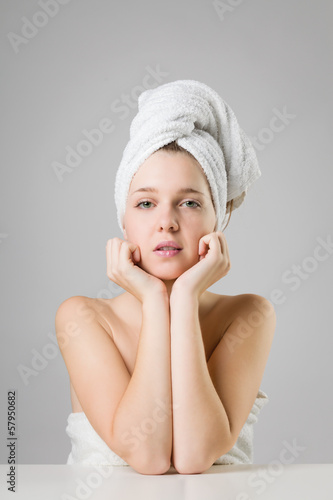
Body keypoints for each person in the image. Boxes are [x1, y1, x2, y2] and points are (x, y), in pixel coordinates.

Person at [55, 80, 276, 475]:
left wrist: (184, 298)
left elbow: (194, 457)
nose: (167, 223)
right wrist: (157, 301)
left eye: (189, 202)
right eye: (145, 203)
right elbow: (149, 457)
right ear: (124, 220)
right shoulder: (82, 318)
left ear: (218, 218)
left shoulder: (249, 315)